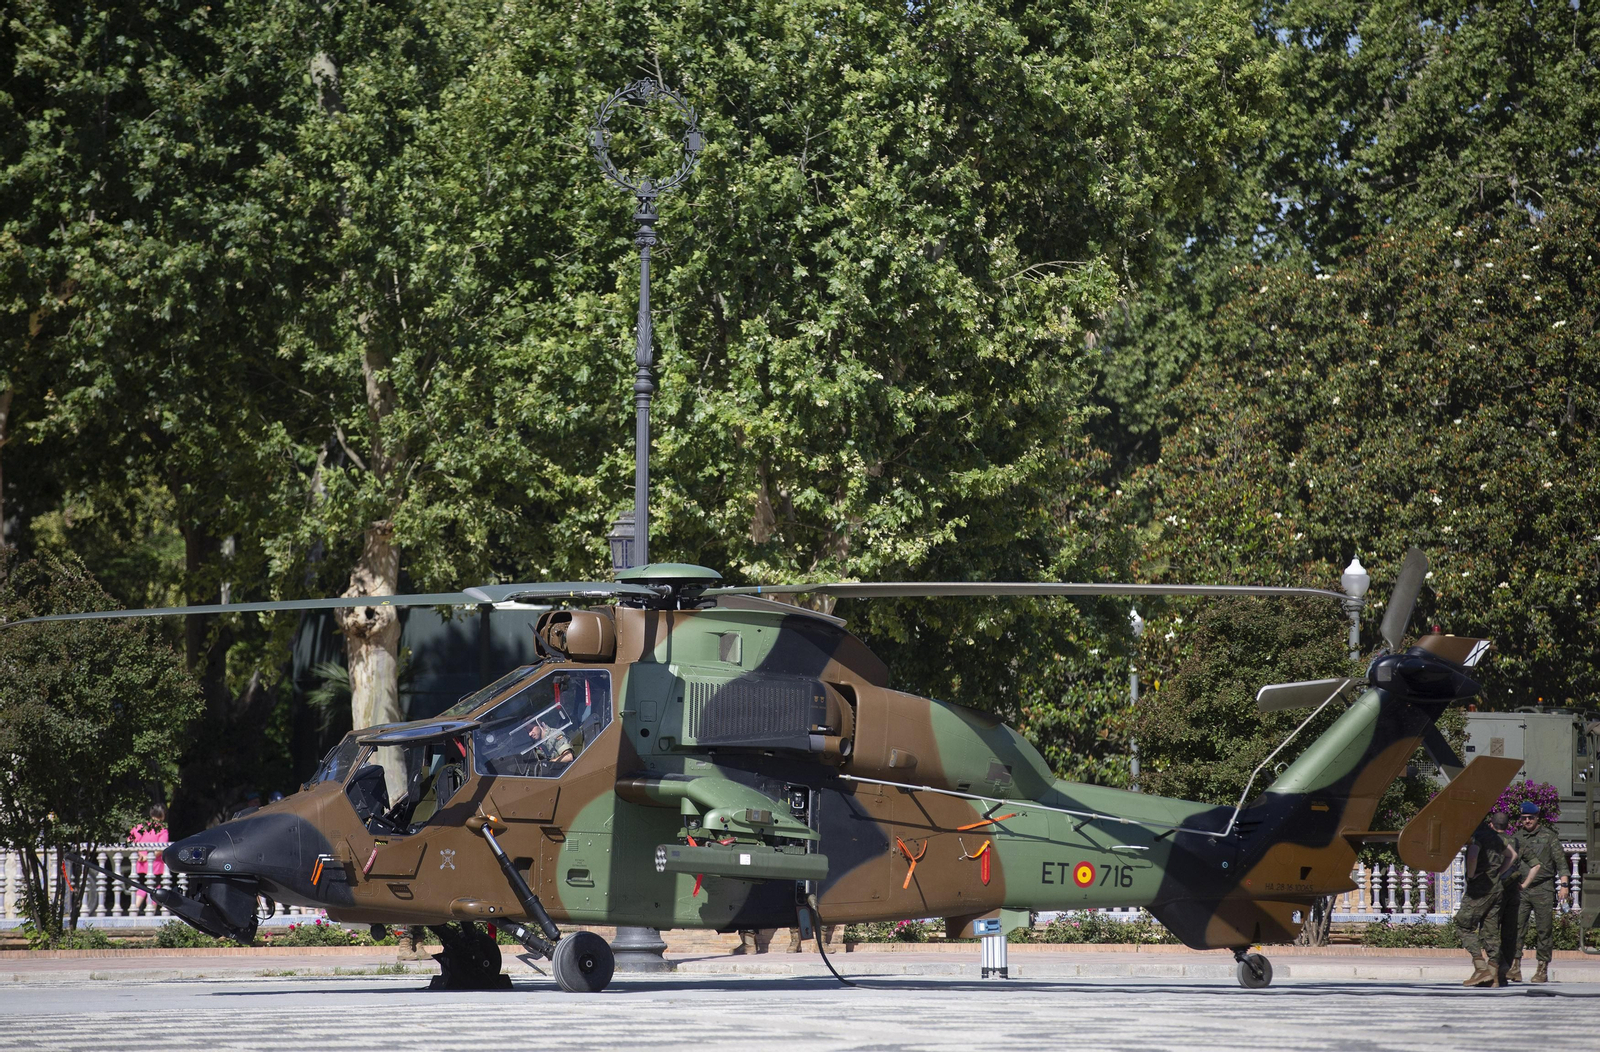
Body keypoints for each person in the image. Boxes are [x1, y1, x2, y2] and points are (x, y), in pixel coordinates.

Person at [1454, 811, 1518, 987]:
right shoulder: (1495, 837)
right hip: (1497, 889)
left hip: (1480, 889)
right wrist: (1498, 872)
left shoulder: (1478, 835)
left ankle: (1480, 967)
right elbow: (1512, 855)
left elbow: (1473, 855)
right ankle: (1495, 971)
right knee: (1489, 931)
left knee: (1462, 924)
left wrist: (1472, 875)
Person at [1508, 800, 1566, 984]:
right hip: (1521, 889)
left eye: (1530, 818)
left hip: (1543, 888)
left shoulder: (1549, 837)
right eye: (1524, 818)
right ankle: (1514, 967)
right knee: (1517, 928)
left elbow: (1561, 863)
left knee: (1544, 929)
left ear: (1537, 817)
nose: (1527, 821)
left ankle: (1542, 968)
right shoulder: (1517, 838)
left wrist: (1564, 885)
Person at [130, 804, 168, 910]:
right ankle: (150, 910)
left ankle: (134, 908)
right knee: (154, 888)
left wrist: (139, 853)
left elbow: (130, 840)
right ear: (163, 816)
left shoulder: (141, 827)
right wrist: (148, 857)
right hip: (155, 865)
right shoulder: (162, 830)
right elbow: (160, 849)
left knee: (142, 886)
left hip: (140, 863)